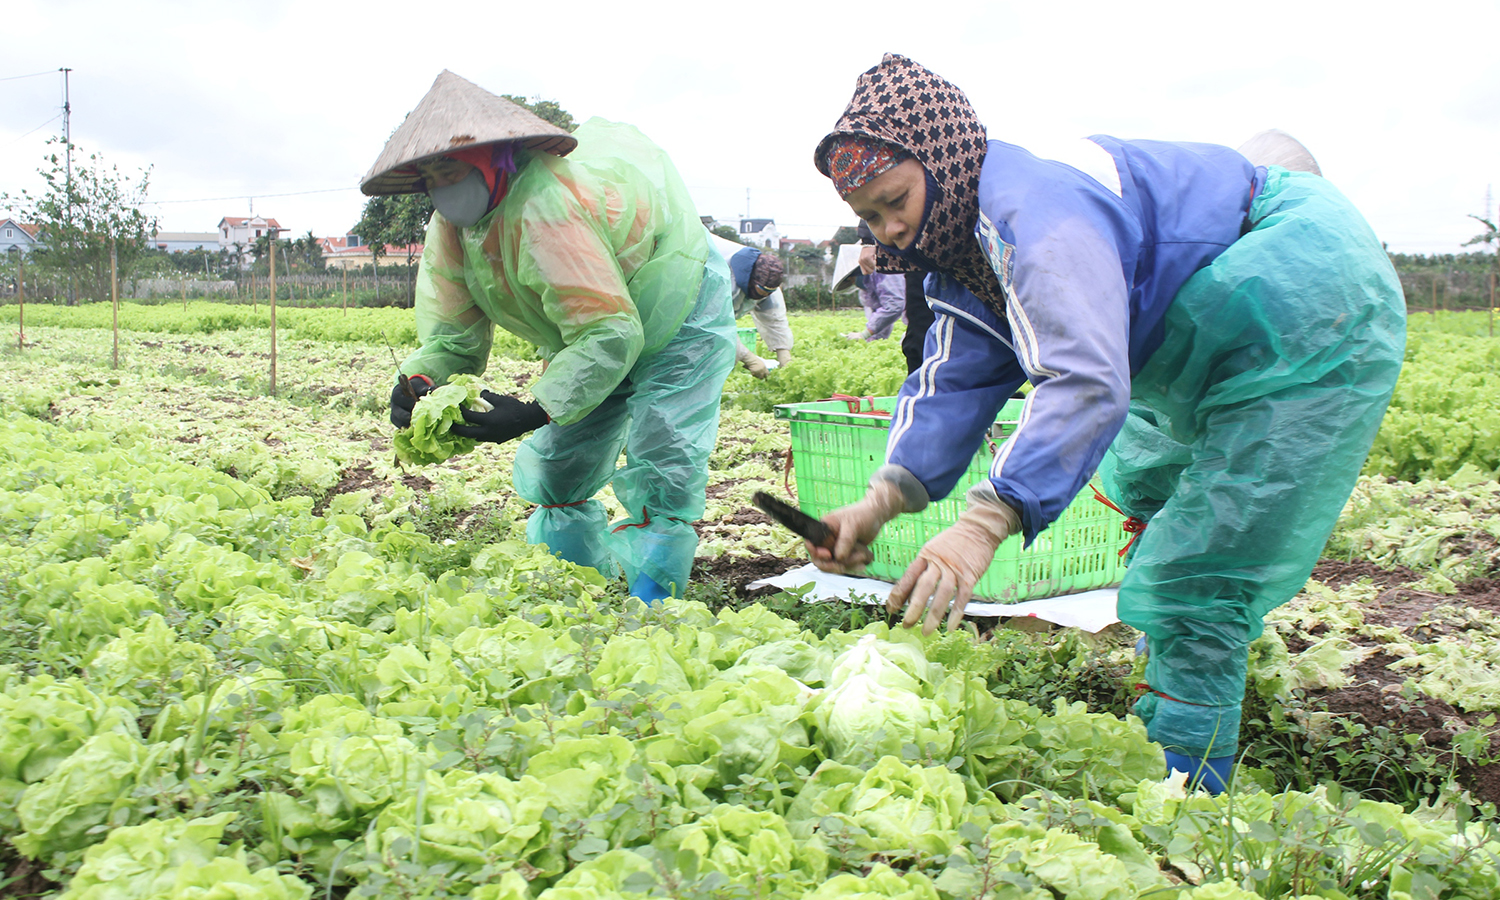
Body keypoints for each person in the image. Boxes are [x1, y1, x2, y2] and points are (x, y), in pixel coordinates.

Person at [807, 54, 1405, 793]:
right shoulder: (962, 254)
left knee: (1206, 553)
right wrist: (879, 503)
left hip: (1304, 292)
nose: (892, 229)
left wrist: (983, 525)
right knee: (1147, 481)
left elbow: (1085, 378)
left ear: (943, 158)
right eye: (870, 218)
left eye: (896, 200)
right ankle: (1183, 666)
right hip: (1217, 310)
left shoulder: (1035, 213)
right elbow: (954, 380)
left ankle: (1188, 790)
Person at [365, 70, 736, 605]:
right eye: (431, 175)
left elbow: (610, 331)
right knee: (562, 458)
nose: (443, 185)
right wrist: (420, 379)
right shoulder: (451, 228)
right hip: (593, 329)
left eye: (453, 168)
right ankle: (574, 586)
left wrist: (535, 409)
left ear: (495, 159)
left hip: (676, 301)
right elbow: (453, 334)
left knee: (663, 445)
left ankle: (654, 602)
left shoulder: (545, 204)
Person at [707, 231, 794, 378]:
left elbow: (774, 318)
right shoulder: (722, 280)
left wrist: (783, 353)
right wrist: (748, 358)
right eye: (762, 291)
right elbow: (714, 326)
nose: (764, 296)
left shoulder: (767, 281)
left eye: (769, 292)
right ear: (750, 282)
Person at [845, 223, 907, 341]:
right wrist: (872, 338)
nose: (853, 283)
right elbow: (881, 314)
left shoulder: (883, 271)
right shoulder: (871, 286)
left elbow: (894, 305)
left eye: (852, 279)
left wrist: (865, 335)